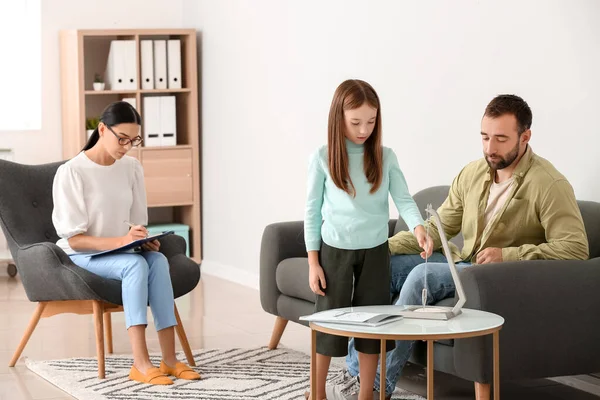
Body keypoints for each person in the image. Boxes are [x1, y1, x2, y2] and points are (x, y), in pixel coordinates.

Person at [329, 94, 589, 399]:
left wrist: (508, 255)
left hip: (493, 277)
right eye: (485, 137)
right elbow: (441, 227)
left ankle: (373, 386)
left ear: (525, 136)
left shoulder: (549, 184)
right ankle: (355, 371)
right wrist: (381, 248)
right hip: (460, 263)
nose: (490, 148)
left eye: (501, 139)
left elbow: (574, 248)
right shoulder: (473, 173)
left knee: (417, 278)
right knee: (378, 268)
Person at [51, 101, 201, 385]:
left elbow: (136, 223)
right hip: (82, 253)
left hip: (120, 251)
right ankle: (140, 363)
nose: (127, 146)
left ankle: (169, 359)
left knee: (156, 260)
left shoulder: (131, 167)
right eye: (122, 139)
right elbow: (75, 238)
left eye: (134, 140)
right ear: (102, 129)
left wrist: (142, 240)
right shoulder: (72, 172)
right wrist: (121, 241)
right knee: (134, 266)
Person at [304, 79, 433, 400]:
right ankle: (316, 393)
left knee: (372, 328)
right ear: (339, 119)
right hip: (334, 251)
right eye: (356, 122)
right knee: (325, 328)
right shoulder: (322, 157)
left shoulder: (385, 156)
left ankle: (366, 394)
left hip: (375, 251)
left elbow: (403, 199)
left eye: (371, 122)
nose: (364, 129)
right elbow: (312, 211)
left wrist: (418, 227)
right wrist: (313, 262)